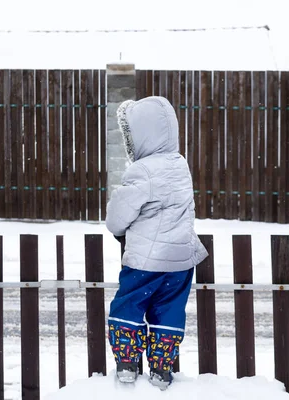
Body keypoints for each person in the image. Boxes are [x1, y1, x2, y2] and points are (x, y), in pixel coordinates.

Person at [105, 96, 208, 390]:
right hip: (180, 261)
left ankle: (127, 363)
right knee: (169, 310)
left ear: (139, 136)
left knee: (128, 305)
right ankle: (162, 368)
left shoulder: (142, 170)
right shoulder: (180, 165)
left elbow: (119, 215)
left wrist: (118, 228)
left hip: (146, 261)